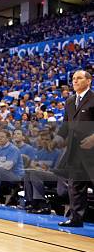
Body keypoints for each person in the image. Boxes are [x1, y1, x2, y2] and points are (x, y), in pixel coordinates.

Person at [54, 70, 94, 227]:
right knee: (75, 185)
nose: (75, 81)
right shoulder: (70, 101)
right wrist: (58, 137)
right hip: (75, 151)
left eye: (79, 78)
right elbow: (66, 124)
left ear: (89, 81)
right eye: (73, 78)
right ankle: (76, 218)